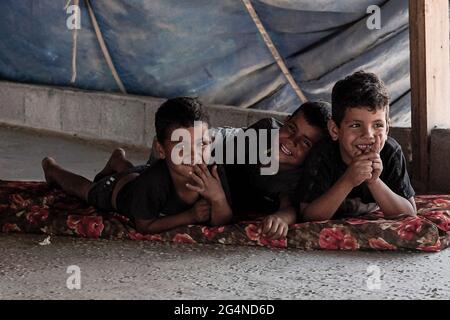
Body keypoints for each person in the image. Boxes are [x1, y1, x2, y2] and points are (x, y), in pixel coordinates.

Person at [42, 97, 232, 234]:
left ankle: (119, 161)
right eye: (181, 147)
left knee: (138, 174)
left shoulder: (213, 172)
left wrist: (218, 198)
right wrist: (190, 216)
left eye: (202, 144)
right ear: (161, 149)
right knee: (86, 190)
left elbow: (221, 220)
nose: (195, 155)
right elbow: (145, 225)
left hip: (142, 174)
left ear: (212, 141)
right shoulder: (153, 183)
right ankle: (53, 169)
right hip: (118, 190)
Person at [296, 71, 416, 221]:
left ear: (387, 129)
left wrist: (373, 181)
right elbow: (308, 215)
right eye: (355, 125)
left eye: (377, 125)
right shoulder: (323, 153)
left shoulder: (391, 152)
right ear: (335, 130)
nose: (368, 135)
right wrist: (349, 179)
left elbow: (409, 215)